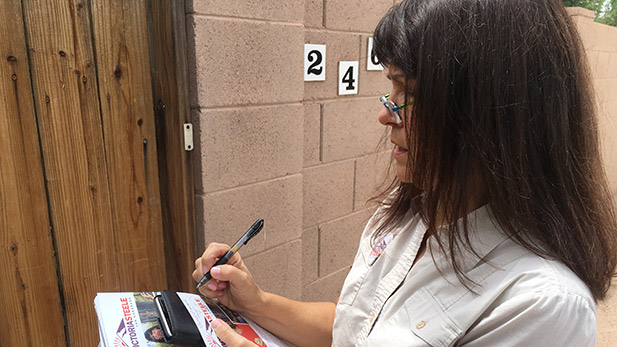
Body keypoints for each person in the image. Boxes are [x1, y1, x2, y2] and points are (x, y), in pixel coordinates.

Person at [192, 0, 617, 346]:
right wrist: (256, 302)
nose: (384, 114)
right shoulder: (404, 215)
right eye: (391, 89)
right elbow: (355, 329)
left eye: (409, 95)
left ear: (493, 118)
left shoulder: (541, 306)